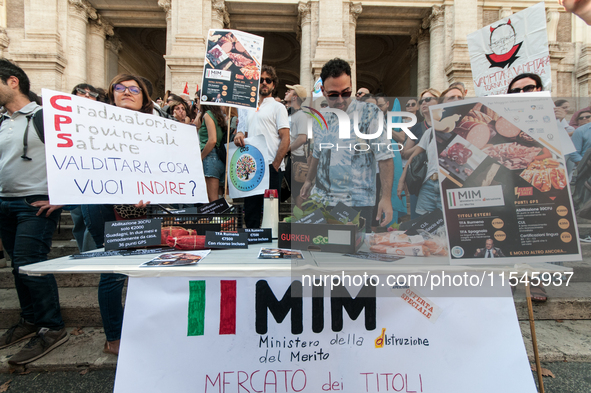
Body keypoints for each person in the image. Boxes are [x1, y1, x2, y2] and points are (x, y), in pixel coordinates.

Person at [0, 59, 69, 365]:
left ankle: (52, 327)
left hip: (35, 204)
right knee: (17, 265)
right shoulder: (2, 121)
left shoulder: (47, 116)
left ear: (12, 81)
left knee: (31, 262)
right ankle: (29, 320)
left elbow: (73, 156)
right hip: (4, 202)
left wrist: (64, 195)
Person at [81, 74, 153, 355]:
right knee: (113, 272)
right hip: (104, 206)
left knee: (144, 269)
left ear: (145, 97)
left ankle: (142, 327)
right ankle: (114, 337)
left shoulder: (158, 129)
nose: (126, 92)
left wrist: (154, 190)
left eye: (134, 89)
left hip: (144, 207)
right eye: (119, 88)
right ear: (110, 95)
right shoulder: (94, 124)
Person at [300, 58, 394, 230]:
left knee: (353, 254)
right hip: (322, 200)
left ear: (351, 85)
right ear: (323, 90)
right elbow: (317, 154)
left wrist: (386, 197)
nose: (341, 99)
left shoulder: (369, 113)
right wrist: (308, 180)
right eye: (333, 95)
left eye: (346, 92)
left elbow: (385, 157)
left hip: (356, 203)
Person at [234, 65, 290, 228]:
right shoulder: (248, 109)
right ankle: (251, 247)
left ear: (273, 84)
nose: (264, 83)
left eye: (268, 80)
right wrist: (239, 135)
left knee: (270, 213)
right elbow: (242, 133)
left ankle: (271, 248)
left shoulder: (278, 107)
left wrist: (276, 165)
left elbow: (285, 138)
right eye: (261, 80)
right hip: (252, 167)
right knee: (251, 210)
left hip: (271, 165)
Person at [397, 88, 442, 217]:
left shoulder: (448, 125)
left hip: (446, 179)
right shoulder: (418, 127)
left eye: (428, 99)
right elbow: (406, 153)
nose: (423, 103)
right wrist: (423, 144)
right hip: (422, 178)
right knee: (421, 222)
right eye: (421, 101)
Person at [69, 83, 99, 253]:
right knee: (78, 219)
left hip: (97, 177)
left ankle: (91, 254)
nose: (87, 96)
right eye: (82, 92)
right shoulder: (65, 119)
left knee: (91, 220)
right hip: (74, 175)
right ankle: (84, 251)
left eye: (91, 93)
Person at [284, 84, 309, 208]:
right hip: (286, 158)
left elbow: (302, 138)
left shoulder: (301, 116)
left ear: (295, 97)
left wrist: (285, 150)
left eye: (290, 91)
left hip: (295, 159)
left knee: (298, 193)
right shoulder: (288, 114)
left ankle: (303, 221)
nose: (286, 92)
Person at [197, 104, 226, 201]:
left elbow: (212, 140)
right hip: (218, 158)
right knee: (217, 197)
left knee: (212, 199)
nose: (197, 103)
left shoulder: (208, 115)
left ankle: (220, 217)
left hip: (209, 157)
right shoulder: (217, 116)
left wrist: (200, 157)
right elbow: (196, 124)